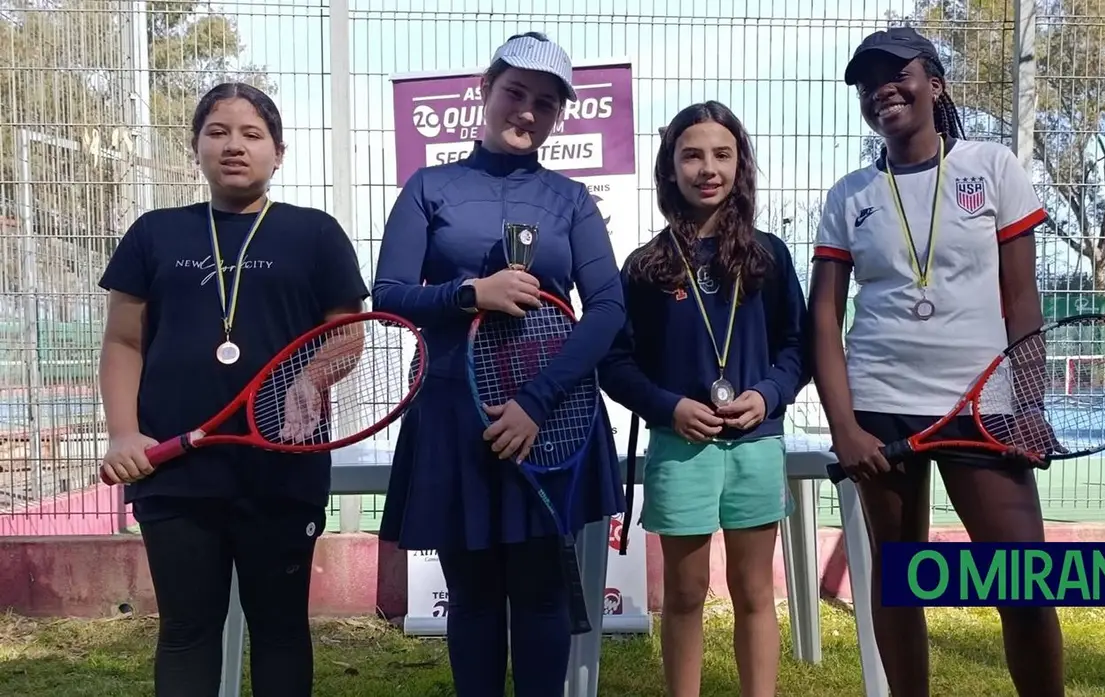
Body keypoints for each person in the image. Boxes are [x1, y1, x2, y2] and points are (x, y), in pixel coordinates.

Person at [808, 26, 1065, 697]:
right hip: (880, 403)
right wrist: (845, 428)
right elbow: (825, 319)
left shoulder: (993, 167)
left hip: (985, 406)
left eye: (897, 74)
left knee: (1025, 585)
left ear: (935, 82)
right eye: (867, 83)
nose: (881, 90)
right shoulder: (849, 197)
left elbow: (1022, 297)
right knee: (899, 580)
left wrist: (1030, 406)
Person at [371, 32, 626, 697]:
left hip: (552, 420)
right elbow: (390, 295)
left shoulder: (571, 200)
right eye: (515, 92)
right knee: (475, 597)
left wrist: (538, 402)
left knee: (543, 595)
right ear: (484, 91)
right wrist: (469, 294)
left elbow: (606, 309)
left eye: (546, 102)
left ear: (559, 114)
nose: (527, 111)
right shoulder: (430, 188)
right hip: (455, 417)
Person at [97, 82, 370, 696]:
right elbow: (122, 343)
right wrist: (123, 432)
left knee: (280, 630)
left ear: (279, 151)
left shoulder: (316, 233)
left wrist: (310, 379)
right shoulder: (154, 233)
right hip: (175, 472)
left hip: (283, 467)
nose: (234, 146)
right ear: (196, 146)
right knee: (187, 631)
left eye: (252, 134)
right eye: (217, 132)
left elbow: (347, 336)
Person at [599, 101, 809, 697]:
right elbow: (615, 362)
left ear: (740, 166)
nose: (707, 168)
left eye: (722, 154)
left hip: (755, 446)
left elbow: (797, 349)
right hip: (679, 445)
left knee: (753, 593)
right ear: (670, 168)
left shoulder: (769, 256)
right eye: (691, 155)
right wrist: (669, 407)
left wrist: (766, 397)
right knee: (686, 595)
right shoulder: (646, 265)